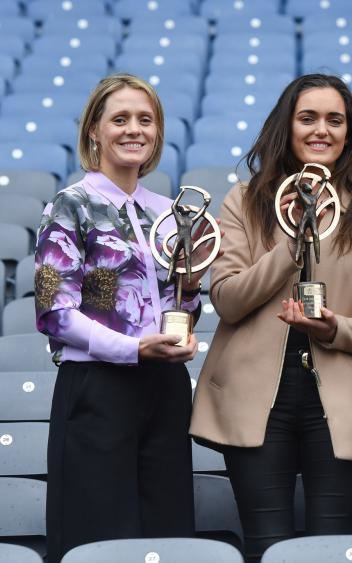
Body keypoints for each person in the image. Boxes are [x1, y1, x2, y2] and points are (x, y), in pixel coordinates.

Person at [189, 74, 352, 563]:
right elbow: (228, 299)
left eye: (335, 120)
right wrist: (290, 245)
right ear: (286, 126)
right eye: (308, 118)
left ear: (349, 133)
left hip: (338, 401)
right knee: (269, 548)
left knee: (331, 548)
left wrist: (335, 328)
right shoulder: (243, 201)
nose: (321, 130)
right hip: (255, 400)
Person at [36, 74, 203, 563]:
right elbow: (54, 313)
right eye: (120, 119)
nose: (134, 130)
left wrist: (187, 303)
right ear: (94, 131)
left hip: (164, 388)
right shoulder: (71, 205)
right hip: (96, 388)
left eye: (145, 120)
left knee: (165, 534)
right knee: (98, 537)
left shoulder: (169, 212)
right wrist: (132, 349)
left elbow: (179, 307)